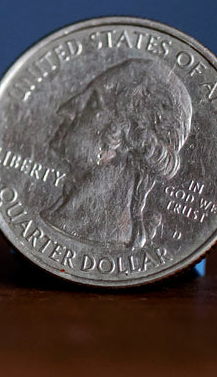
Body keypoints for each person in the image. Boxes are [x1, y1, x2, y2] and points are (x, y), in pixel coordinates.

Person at [43, 57, 193, 247]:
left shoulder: (98, 233)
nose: (66, 110)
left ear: (122, 135)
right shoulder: (62, 216)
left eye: (93, 103)